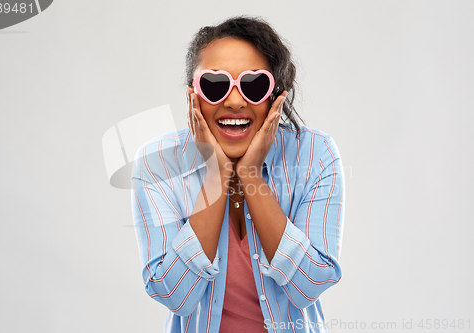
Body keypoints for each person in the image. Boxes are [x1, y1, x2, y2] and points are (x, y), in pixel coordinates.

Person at [131, 16, 345, 333]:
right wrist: (216, 176)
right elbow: (174, 295)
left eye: (253, 85)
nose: (233, 101)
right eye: (214, 85)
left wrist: (250, 175)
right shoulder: (157, 165)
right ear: (193, 94)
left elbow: (309, 285)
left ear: (276, 95)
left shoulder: (315, 155)